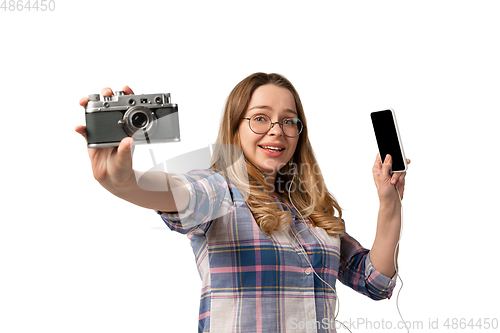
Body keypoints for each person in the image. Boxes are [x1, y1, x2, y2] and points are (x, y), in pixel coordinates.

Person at [76, 72, 409, 333]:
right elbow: (178, 191)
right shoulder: (220, 190)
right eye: (260, 118)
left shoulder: (312, 212)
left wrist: (388, 203)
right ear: (236, 129)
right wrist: (124, 182)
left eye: (288, 120)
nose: (277, 130)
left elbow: (374, 280)